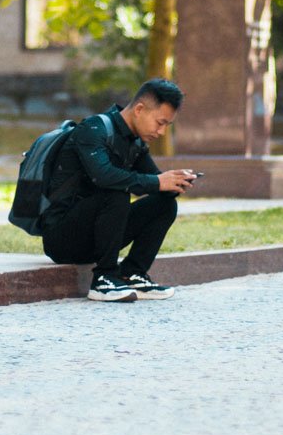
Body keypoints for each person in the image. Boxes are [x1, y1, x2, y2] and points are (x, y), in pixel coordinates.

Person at [41, 79, 198, 302]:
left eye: (167, 126)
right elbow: (103, 176)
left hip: (98, 236)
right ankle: (104, 279)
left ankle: (132, 273)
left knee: (164, 205)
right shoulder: (93, 129)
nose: (162, 132)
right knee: (115, 190)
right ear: (140, 109)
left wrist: (175, 182)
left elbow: (154, 183)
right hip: (63, 238)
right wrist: (158, 182)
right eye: (160, 122)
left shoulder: (136, 143)